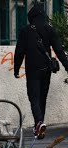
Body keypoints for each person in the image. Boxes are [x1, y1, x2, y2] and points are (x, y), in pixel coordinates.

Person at [14, 4, 68, 139]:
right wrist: (67, 66)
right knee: (42, 97)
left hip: (32, 70)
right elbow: (59, 51)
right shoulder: (50, 30)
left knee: (34, 98)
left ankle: (39, 122)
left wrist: (16, 68)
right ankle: (40, 125)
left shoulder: (25, 31)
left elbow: (19, 52)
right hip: (46, 69)